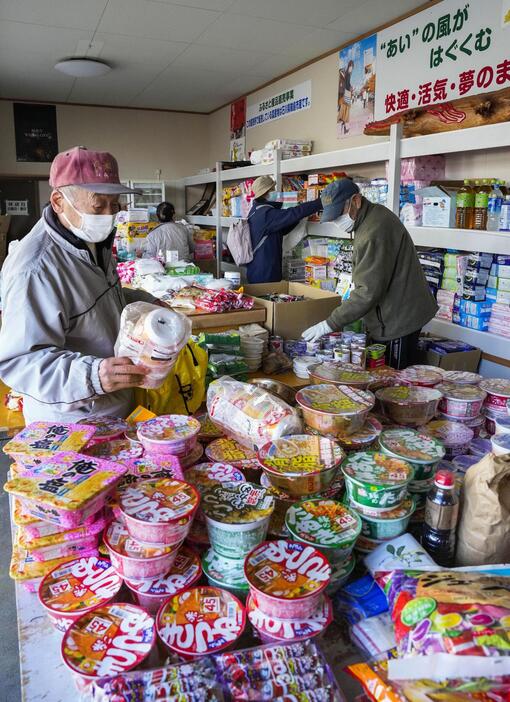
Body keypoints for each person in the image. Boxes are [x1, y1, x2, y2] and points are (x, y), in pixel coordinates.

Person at [0, 146, 158, 423]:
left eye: (115, 205)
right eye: (99, 205)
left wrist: (147, 303)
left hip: (114, 406)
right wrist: (93, 375)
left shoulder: (90, 241)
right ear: (59, 201)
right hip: (70, 420)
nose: (109, 215)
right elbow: (20, 362)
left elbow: (97, 297)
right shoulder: (35, 269)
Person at [302, 180, 438, 369]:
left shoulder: (374, 231)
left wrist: (330, 323)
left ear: (356, 200)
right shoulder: (370, 217)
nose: (336, 222)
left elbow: (368, 291)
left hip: (399, 318)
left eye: (338, 214)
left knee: (394, 379)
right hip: (395, 312)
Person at [246, 176, 322, 284]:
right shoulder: (266, 214)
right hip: (265, 274)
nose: (276, 192)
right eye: (273, 189)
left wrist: (298, 218)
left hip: (257, 270)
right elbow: (293, 213)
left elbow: (280, 229)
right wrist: (320, 202)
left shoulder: (256, 211)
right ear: (266, 193)